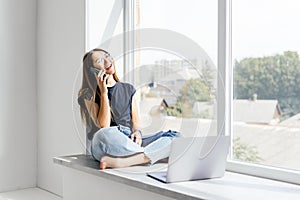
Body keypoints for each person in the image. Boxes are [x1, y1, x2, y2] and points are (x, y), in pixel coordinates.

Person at [78, 48, 180, 169]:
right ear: (92, 71)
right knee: (104, 134)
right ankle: (154, 154)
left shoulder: (129, 89)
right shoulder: (88, 94)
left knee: (176, 137)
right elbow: (103, 126)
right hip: (107, 142)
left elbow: (135, 123)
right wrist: (104, 92)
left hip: (129, 140)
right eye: (100, 61)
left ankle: (128, 161)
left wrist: (137, 133)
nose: (107, 61)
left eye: (107, 56)